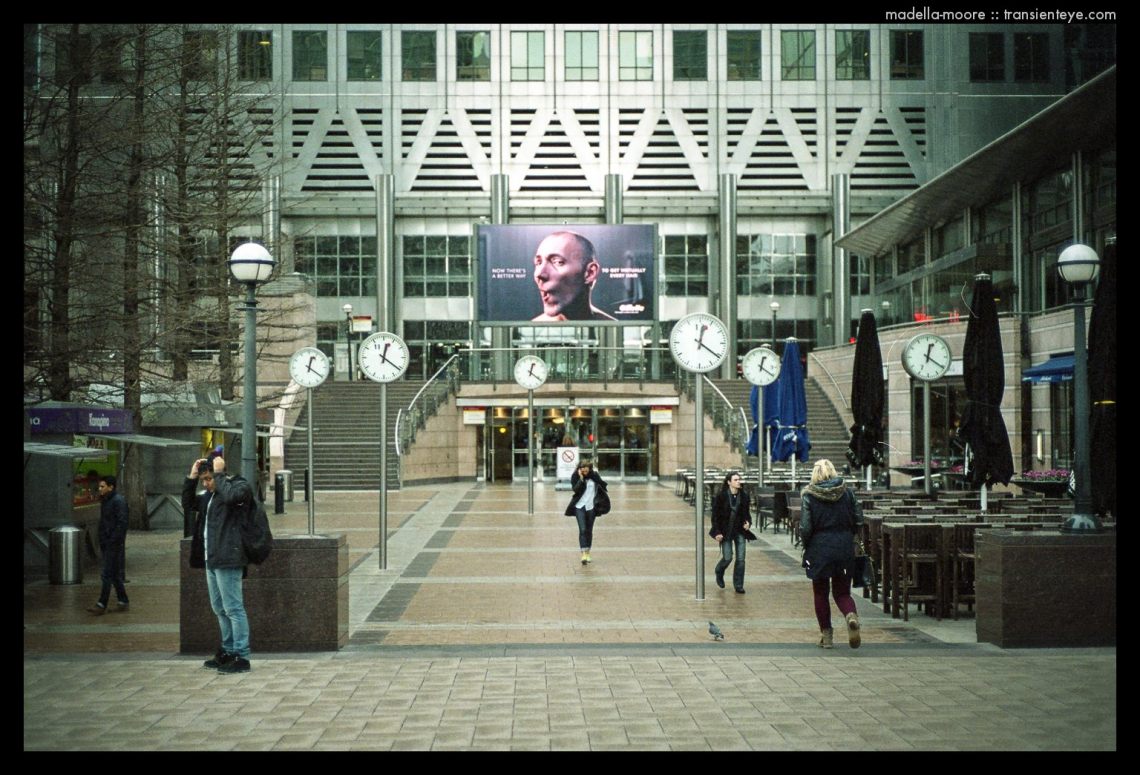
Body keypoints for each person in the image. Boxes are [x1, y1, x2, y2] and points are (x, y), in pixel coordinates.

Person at [182, 454, 255, 673]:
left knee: (233, 607)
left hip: (229, 557)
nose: (206, 483)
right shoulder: (209, 496)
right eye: (203, 480)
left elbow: (233, 497)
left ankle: (241, 655)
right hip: (211, 558)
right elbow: (188, 504)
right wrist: (191, 478)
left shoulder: (238, 486)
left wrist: (220, 474)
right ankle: (228, 649)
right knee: (219, 608)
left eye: (208, 478)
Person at [799, 458, 863, 649]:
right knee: (842, 592)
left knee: (820, 592)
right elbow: (858, 519)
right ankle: (851, 615)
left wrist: (806, 545)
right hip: (844, 546)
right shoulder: (848, 493)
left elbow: (805, 527)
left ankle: (826, 636)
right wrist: (852, 536)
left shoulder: (809, 496)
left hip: (819, 548)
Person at [532, 231, 616, 321]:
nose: (539, 274)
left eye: (557, 262)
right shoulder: (534, 326)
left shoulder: (613, 326)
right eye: (538, 263)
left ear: (590, 273)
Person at [86, 475, 129, 615]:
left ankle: (101, 603)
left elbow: (121, 523)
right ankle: (123, 600)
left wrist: (113, 539)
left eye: (102, 486)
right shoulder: (106, 500)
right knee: (115, 573)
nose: (100, 489)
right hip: (107, 541)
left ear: (111, 487)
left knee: (106, 574)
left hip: (113, 543)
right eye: (99, 486)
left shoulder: (118, 501)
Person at [709, 471, 753, 594]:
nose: (739, 482)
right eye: (736, 480)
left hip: (739, 531)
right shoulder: (721, 497)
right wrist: (717, 532)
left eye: (739, 479)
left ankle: (738, 584)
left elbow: (747, 515)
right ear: (729, 482)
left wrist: (748, 523)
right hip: (725, 531)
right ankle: (719, 570)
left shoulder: (744, 496)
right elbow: (715, 517)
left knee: (741, 559)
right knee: (728, 557)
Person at [563, 461, 608, 565]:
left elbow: (603, 486)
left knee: (589, 530)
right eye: (582, 468)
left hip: (591, 507)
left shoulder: (594, 476)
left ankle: (588, 552)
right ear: (579, 469)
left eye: (586, 468)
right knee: (582, 529)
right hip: (580, 506)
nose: (584, 470)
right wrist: (581, 479)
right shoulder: (575, 476)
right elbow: (575, 490)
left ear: (590, 468)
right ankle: (583, 553)